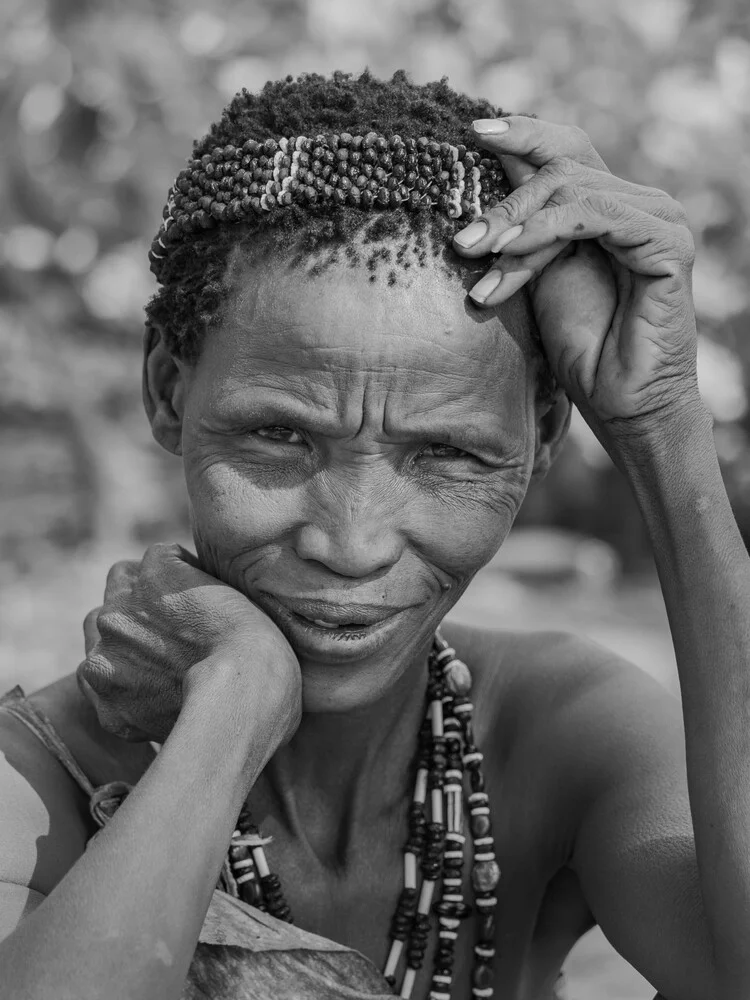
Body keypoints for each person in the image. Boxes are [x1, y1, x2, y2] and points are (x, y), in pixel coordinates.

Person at [0, 70, 744, 1000]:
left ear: (542, 441)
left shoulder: (555, 734)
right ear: (167, 395)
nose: (352, 545)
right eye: (279, 435)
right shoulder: (36, 778)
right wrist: (232, 707)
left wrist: (664, 431)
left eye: (447, 453)